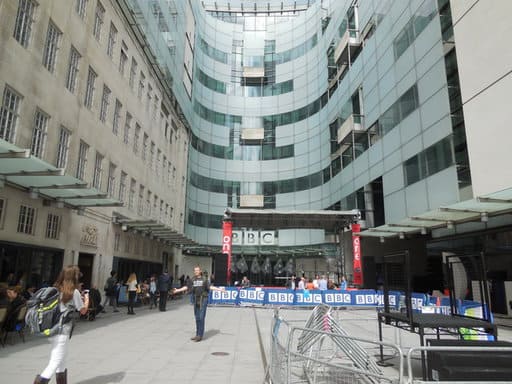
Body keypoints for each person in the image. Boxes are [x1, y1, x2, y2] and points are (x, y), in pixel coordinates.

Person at [34, 265, 89, 384]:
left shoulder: (56, 289)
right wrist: (87, 299)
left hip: (53, 328)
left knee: (62, 360)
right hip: (62, 330)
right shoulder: (73, 292)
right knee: (55, 361)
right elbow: (83, 310)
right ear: (74, 277)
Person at [172, 266, 224, 342]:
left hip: (203, 299)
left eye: (197, 270)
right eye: (194, 270)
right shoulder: (192, 279)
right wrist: (178, 290)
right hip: (196, 299)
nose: (195, 271)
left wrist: (220, 289)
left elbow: (210, 287)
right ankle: (197, 334)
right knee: (197, 318)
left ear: (200, 271)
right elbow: (187, 287)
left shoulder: (204, 279)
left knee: (201, 317)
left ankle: (200, 335)